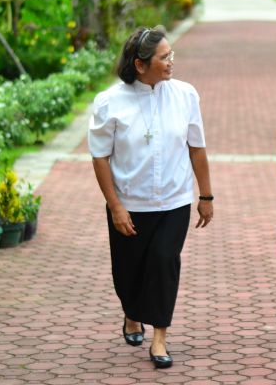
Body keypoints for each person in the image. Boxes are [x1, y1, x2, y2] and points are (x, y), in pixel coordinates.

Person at [88, 26, 213, 369]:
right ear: (141, 65)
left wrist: (206, 195)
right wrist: (115, 206)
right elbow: (100, 156)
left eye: (171, 54)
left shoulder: (185, 95)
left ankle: (160, 338)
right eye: (164, 57)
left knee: (163, 262)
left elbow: (197, 148)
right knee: (128, 273)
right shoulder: (109, 102)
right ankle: (131, 313)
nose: (172, 61)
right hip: (129, 203)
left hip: (173, 201)